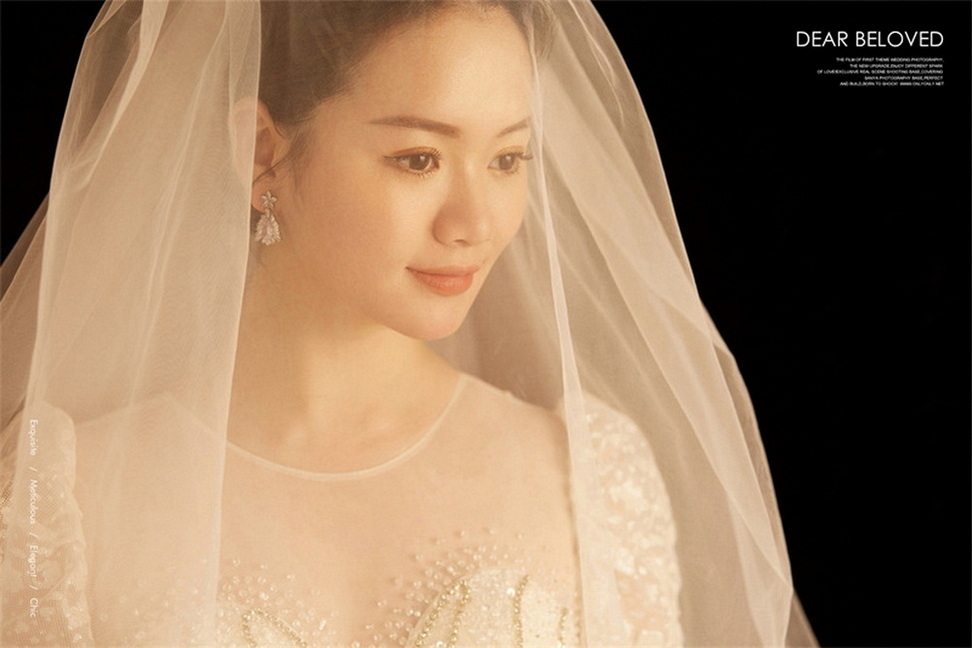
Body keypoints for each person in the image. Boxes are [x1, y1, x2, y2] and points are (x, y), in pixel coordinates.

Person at [0, 1, 814, 645]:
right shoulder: (63, 498)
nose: (476, 222)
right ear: (261, 153)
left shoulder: (589, 478)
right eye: (418, 159)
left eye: (507, 159)